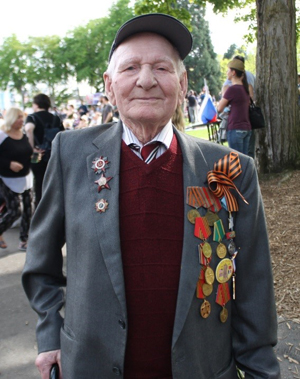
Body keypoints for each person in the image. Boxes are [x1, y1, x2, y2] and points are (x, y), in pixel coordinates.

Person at [22, 13, 280, 379]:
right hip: (91, 366)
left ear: (182, 81)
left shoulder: (229, 167)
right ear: (109, 86)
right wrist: (50, 333)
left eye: (161, 67)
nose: (146, 81)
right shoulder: (71, 153)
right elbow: (40, 264)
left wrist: (261, 371)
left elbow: (254, 286)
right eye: (130, 69)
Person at [0, 107, 33, 251]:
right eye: (18, 117)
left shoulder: (23, 134)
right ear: (12, 118)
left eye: (22, 117)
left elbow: (26, 151)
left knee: (28, 209)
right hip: (7, 179)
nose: (22, 119)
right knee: (15, 211)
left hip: (26, 177)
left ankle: (24, 239)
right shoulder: (2, 136)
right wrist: (8, 164)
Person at [24, 94, 64, 208]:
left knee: (39, 182)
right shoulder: (55, 118)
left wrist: (31, 148)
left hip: (38, 155)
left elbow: (28, 129)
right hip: (54, 155)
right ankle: (54, 207)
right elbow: (63, 134)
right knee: (54, 182)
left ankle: (41, 209)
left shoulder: (32, 117)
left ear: (36, 105)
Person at [221, 55, 256, 158]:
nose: (227, 72)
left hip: (235, 126)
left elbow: (219, 108)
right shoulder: (246, 87)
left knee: (236, 161)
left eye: (228, 70)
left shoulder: (232, 89)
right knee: (246, 159)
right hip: (247, 125)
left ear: (233, 72)